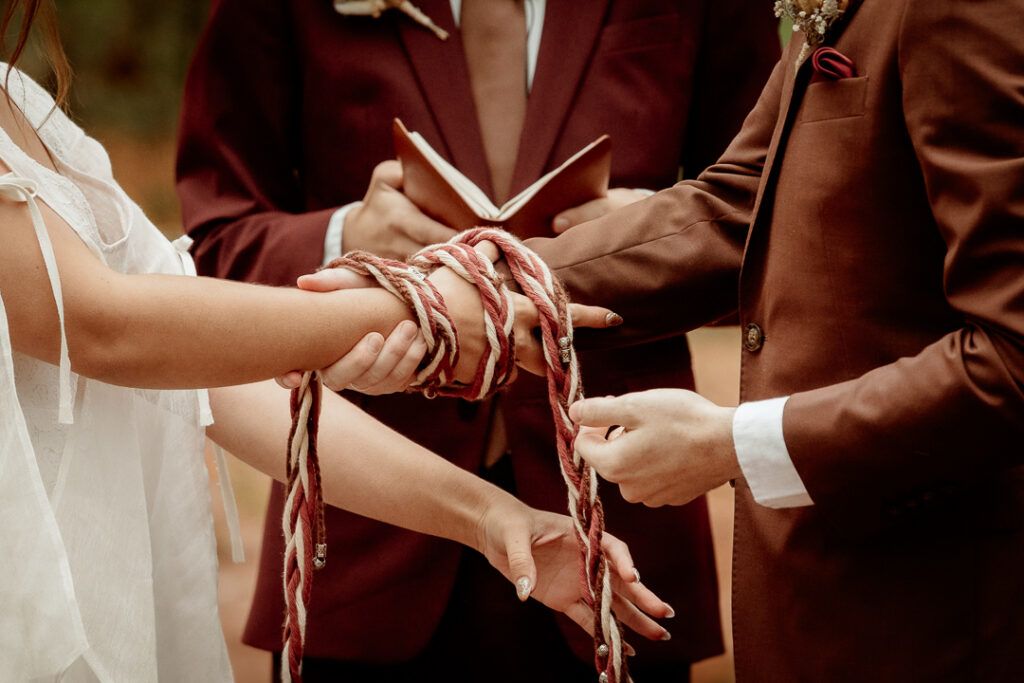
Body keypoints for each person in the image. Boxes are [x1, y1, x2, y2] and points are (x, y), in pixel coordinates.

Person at [0, 5, 672, 681]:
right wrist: (428, 310)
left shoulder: (28, 108)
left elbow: (214, 379)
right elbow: (99, 323)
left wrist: (489, 517)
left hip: (102, 603)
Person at [176, 1, 779, 679]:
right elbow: (209, 252)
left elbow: (774, 229)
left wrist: (658, 234)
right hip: (363, 544)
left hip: (618, 537)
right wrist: (346, 240)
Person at [509, 0, 1024, 679]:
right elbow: (739, 203)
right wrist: (496, 281)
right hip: (814, 612)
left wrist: (736, 444)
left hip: (934, 620)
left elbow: (1013, 356)